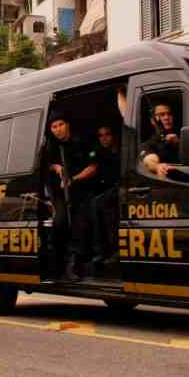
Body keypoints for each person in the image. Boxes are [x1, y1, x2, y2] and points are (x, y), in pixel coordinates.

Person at [45, 111, 97, 281]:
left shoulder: (82, 141)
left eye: (60, 125)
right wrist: (56, 168)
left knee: (81, 225)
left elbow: (93, 167)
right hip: (60, 194)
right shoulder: (50, 145)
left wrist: (73, 179)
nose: (57, 129)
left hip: (81, 191)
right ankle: (57, 264)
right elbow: (45, 165)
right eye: (54, 127)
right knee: (60, 223)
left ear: (67, 125)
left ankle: (76, 265)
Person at [88, 125, 120, 276]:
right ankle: (101, 253)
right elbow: (93, 168)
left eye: (107, 134)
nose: (104, 138)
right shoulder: (97, 152)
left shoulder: (121, 151)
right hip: (103, 191)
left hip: (119, 189)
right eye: (100, 135)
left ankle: (109, 252)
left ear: (113, 136)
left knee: (100, 205)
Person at [140, 102, 180, 178]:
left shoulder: (183, 135)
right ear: (153, 121)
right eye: (162, 115)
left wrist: (179, 143)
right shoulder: (150, 143)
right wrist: (157, 167)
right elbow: (149, 160)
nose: (166, 118)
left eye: (169, 114)